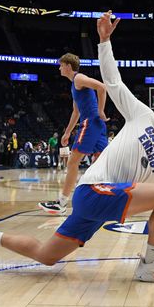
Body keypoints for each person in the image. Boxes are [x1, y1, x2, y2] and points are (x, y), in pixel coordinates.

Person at [0, 11, 154, 284]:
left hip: (101, 203)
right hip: (94, 189)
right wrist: (104, 42)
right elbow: (113, 83)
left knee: (47, 255)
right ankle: (149, 266)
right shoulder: (145, 117)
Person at [39, 54, 109, 214]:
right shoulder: (74, 85)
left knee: (72, 162)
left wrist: (100, 110)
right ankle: (104, 201)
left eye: (61, 65)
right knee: (100, 163)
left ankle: (61, 203)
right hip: (96, 125)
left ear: (68, 66)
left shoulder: (79, 78)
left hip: (91, 122)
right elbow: (75, 112)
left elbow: (102, 87)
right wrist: (67, 132)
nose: (59, 68)